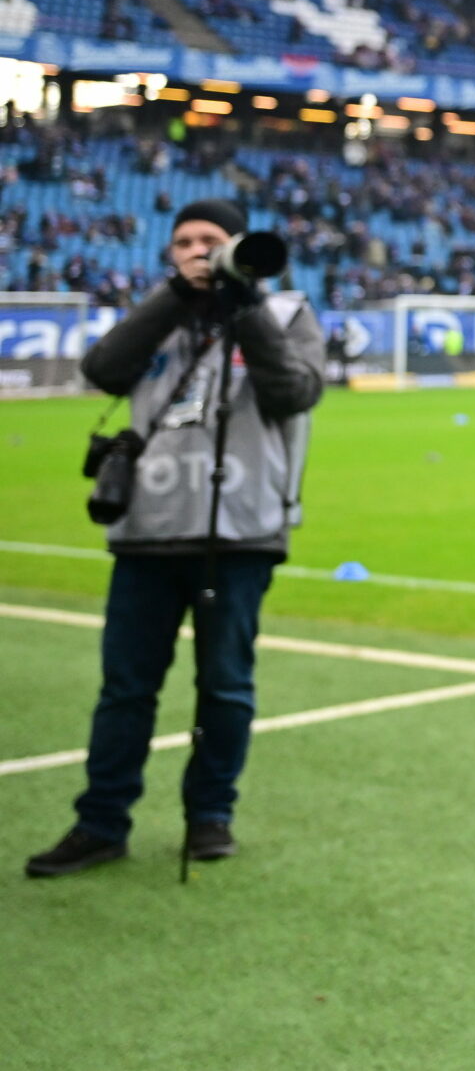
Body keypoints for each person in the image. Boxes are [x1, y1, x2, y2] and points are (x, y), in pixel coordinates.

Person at [25, 197, 326, 877]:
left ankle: (210, 816)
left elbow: (293, 393)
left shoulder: (284, 314)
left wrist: (242, 300)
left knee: (224, 686)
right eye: (185, 240)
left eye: (211, 240)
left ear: (237, 246)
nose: (197, 250)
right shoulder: (154, 315)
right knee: (125, 689)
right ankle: (100, 822)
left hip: (240, 532)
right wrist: (173, 297)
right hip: (147, 532)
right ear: (168, 252)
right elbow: (102, 371)